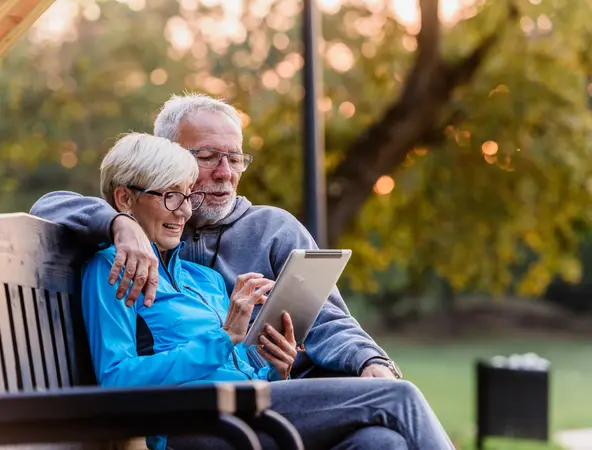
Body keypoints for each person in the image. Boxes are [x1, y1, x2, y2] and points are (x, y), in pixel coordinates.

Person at [82, 132, 454, 450]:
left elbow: (236, 366)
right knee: (396, 396)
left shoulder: (203, 278)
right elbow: (118, 379)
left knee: (378, 442)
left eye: (186, 196)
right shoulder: (110, 269)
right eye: (169, 196)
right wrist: (224, 336)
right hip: (195, 426)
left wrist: (277, 369)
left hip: (243, 412)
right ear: (125, 199)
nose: (182, 212)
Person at [31, 93, 401, 380]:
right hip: (212, 417)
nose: (225, 173)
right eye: (207, 156)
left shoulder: (271, 230)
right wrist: (119, 224)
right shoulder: (136, 229)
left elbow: (327, 319)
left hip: (286, 391)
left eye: (235, 158)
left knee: (384, 421)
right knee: (389, 412)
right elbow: (50, 205)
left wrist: (369, 362)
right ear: (169, 159)